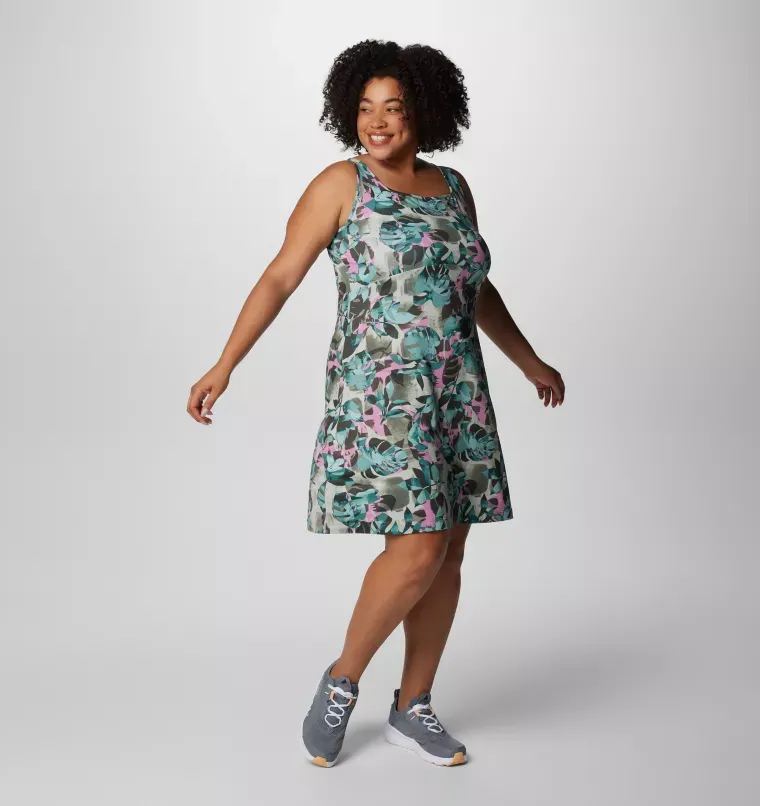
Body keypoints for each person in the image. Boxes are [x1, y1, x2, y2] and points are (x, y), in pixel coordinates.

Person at [186, 39, 564, 768]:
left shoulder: (453, 188)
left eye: (394, 107)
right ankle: (342, 680)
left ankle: (412, 706)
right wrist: (225, 364)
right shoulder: (342, 183)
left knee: (448, 551)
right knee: (417, 548)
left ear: (425, 112)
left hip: (456, 388)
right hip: (383, 392)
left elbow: (470, 286)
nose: (377, 122)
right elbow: (280, 276)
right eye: (365, 108)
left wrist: (528, 361)